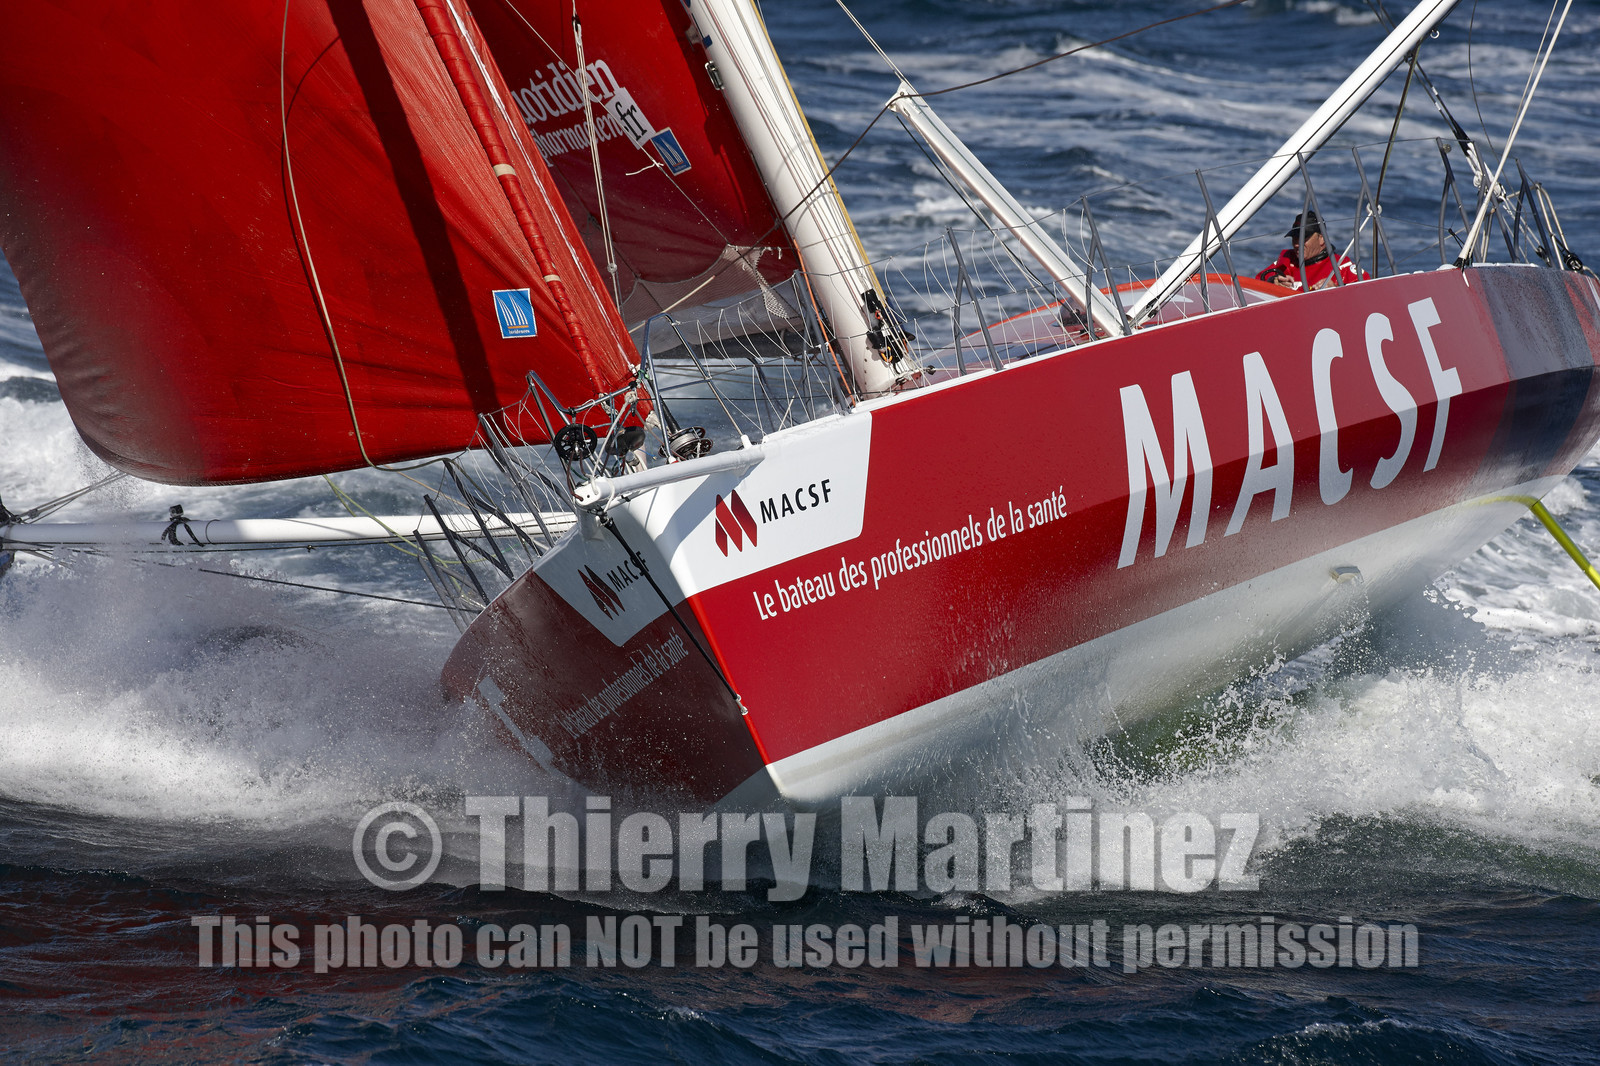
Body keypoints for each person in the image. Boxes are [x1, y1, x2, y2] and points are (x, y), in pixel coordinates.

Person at [1257, 211, 1364, 291]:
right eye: (1295, 238)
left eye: (1304, 239)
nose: (1297, 244)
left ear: (1321, 238)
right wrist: (1272, 281)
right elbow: (1256, 283)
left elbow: (1366, 293)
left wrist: (1337, 289)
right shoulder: (1287, 259)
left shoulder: (1342, 266)